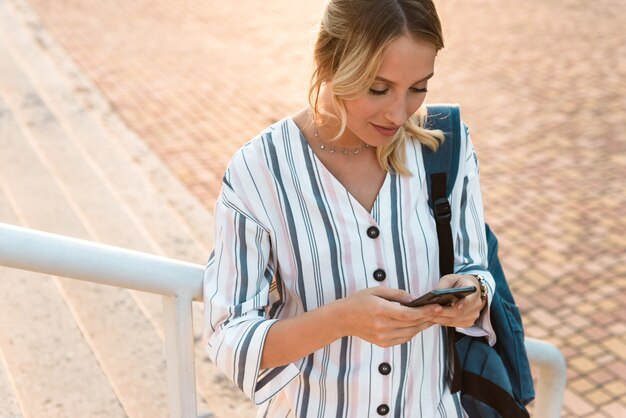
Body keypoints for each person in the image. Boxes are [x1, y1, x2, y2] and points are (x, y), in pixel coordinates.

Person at [203, 1, 496, 416]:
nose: (399, 113)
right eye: (378, 88)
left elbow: (475, 266)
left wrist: (474, 296)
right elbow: (227, 335)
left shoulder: (446, 144)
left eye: (418, 87)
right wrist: (339, 320)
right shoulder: (259, 170)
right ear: (328, 60)